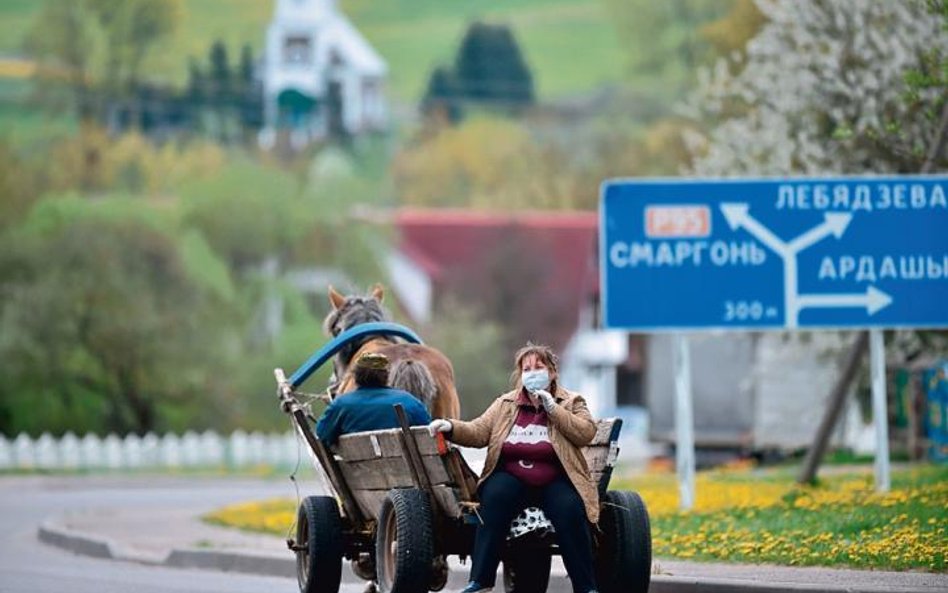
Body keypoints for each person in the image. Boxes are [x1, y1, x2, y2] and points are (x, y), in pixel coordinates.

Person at [428, 343, 599, 593]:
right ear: (520, 375)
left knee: (570, 510)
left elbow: (586, 433)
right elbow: (478, 431)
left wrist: (554, 409)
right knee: (494, 498)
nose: (532, 373)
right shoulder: (505, 403)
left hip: (555, 478)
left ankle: (585, 586)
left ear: (552, 372)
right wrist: (450, 427)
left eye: (538, 367)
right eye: (526, 369)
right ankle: (481, 580)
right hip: (512, 476)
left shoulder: (572, 401)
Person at [316, 352, 432, 445]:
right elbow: (429, 434)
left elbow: (323, 435)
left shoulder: (340, 404)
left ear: (356, 376)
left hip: (357, 472)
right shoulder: (409, 401)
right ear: (386, 376)